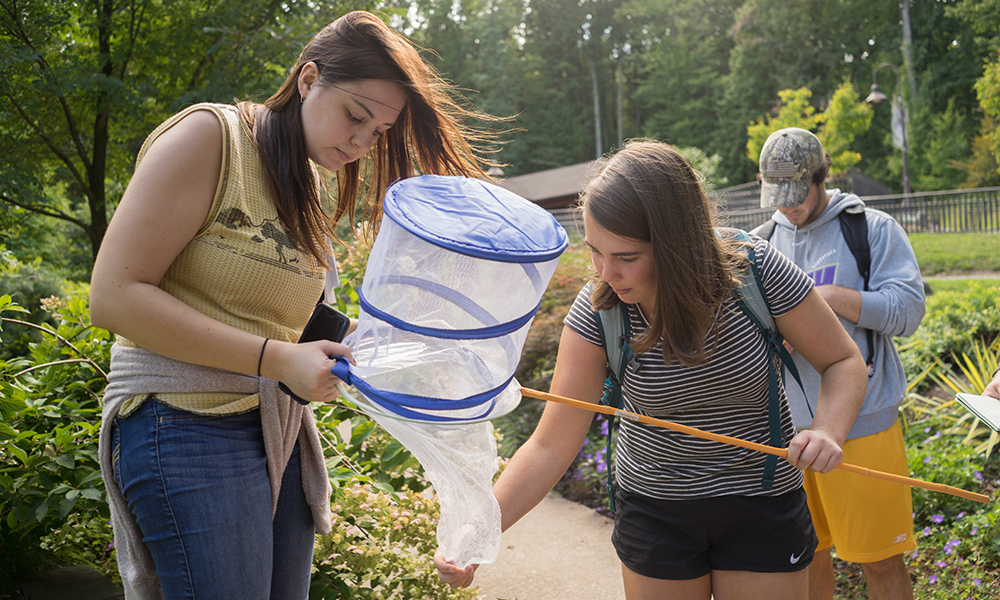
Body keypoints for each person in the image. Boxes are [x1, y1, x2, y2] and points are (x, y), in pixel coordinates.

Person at [90, 11, 498, 599]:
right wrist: (277, 360)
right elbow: (114, 297)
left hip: (271, 428)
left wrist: (384, 351)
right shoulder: (212, 137)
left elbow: (282, 318)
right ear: (308, 80)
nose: (361, 142)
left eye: (378, 132)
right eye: (355, 116)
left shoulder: (307, 182)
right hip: (181, 421)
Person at [435, 139, 868, 600]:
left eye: (626, 257)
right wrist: (478, 531)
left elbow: (843, 361)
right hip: (655, 510)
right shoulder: (598, 311)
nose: (606, 273)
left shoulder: (755, 272)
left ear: (680, 245)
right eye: (595, 252)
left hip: (761, 501)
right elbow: (548, 445)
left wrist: (827, 430)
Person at [753, 127, 926, 600]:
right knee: (806, 559)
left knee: (882, 562)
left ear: (821, 177)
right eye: (778, 193)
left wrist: (827, 300)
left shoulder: (870, 229)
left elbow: (908, 312)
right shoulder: (759, 244)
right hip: (788, 432)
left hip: (863, 426)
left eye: (797, 192)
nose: (788, 205)